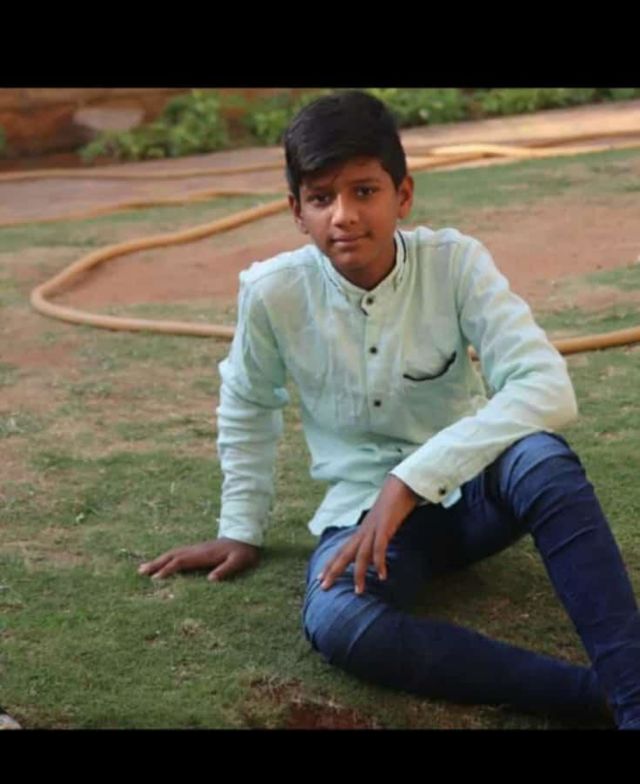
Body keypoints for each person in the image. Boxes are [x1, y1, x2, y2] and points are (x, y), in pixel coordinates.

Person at [138, 90, 640, 728]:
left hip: (475, 494)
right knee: (338, 622)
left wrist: (411, 479)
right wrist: (240, 527)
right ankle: (594, 696)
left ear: (403, 195)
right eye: (321, 198)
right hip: (361, 519)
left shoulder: (455, 262)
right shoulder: (271, 293)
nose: (344, 215)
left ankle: (633, 698)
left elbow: (546, 386)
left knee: (541, 460)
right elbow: (248, 403)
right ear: (296, 212)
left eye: (364, 191)